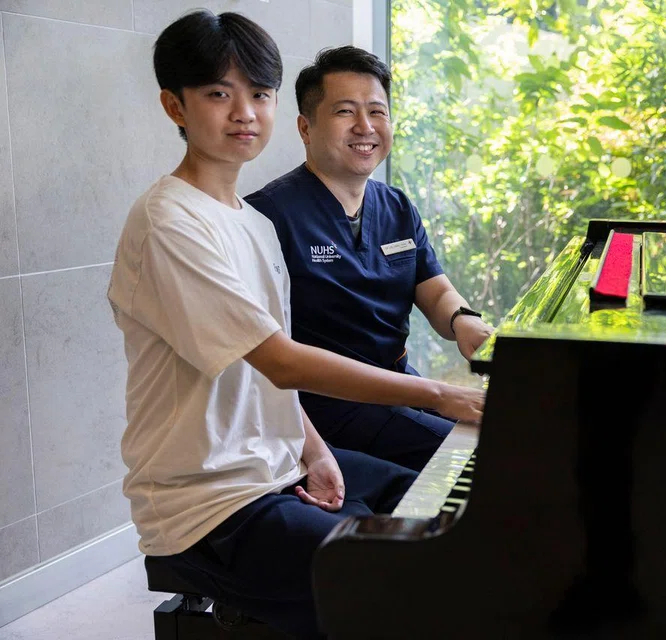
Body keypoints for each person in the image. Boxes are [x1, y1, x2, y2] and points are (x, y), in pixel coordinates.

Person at [107, 11, 483, 639]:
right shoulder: (170, 222)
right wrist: (442, 394)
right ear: (175, 105)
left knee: (458, 513)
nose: (244, 113)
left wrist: (313, 450)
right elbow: (281, 359)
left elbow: (262, 371)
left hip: (279, 464)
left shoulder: (249, 223)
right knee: (402, 582)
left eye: (258, 94)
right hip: (214, 501)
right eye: (218, 95)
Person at [245, 46, 494, 473]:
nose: (365, 127)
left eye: (377, 112)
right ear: (306, 128)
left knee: (512, 429)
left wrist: (463, 320)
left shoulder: (395, 205)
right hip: (327, 407)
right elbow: (265, 359)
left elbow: (433, 288)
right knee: (485, 456)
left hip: (400, 386)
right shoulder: (268, 216)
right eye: (345, 112)